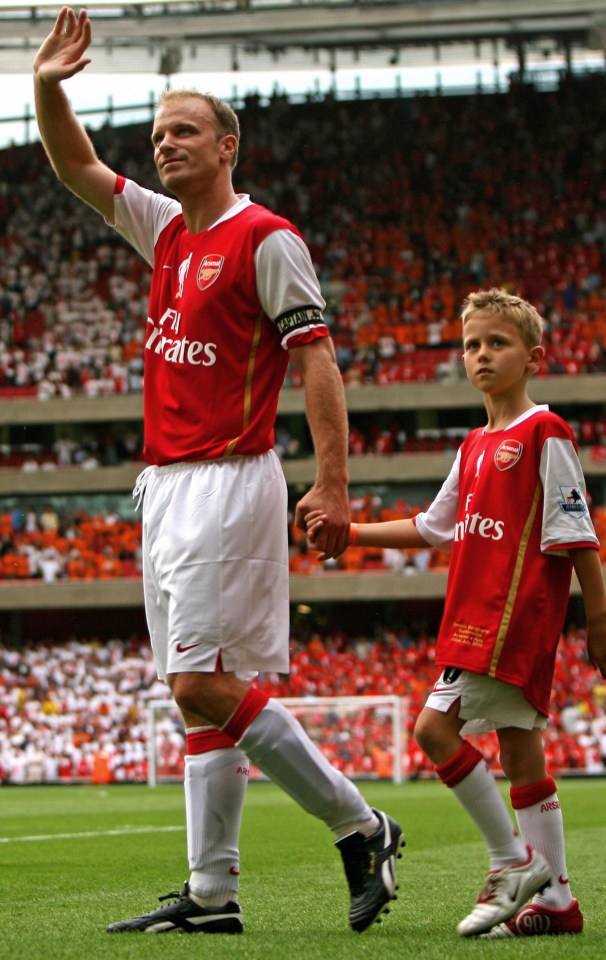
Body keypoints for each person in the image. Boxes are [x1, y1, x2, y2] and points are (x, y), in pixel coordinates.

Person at [33, 7, 404, 935]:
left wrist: (334, 483)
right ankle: (211, 894)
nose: (165, 144)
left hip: (229, 477)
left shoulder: (265, 237)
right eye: (158, 134)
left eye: (184, 130)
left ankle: (361, 824)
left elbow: (317, 361)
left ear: (228, 144)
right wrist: (44, 88)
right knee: (195, 693)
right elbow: (78, 169)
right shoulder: (164, 233)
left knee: (203, 683)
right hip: (164, 485)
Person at [308, 288, 606, 938]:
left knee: (432, 730)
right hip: (473, 616)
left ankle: (512, 862)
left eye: (497, 343)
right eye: (472, 344)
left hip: (512, 617)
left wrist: (598, 617)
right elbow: (433, 527)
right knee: (522, 756)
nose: (482, 355)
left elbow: (576, 531)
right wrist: (352, 534)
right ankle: (559, 904)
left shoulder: (545, 432)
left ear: (534, 357)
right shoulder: (475, 444)